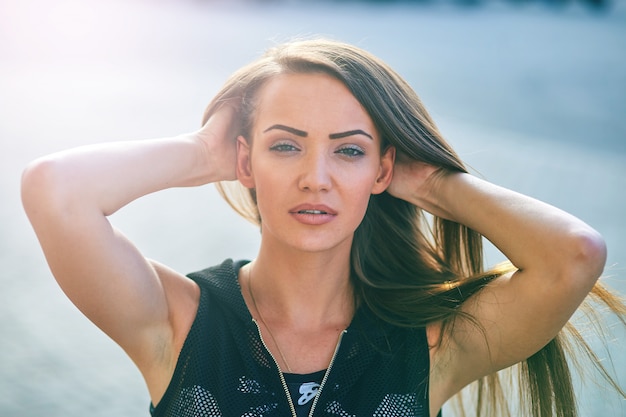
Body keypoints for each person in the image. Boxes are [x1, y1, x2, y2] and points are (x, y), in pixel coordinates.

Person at [21, 38, 624, 417]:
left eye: (349, 152)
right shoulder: (179, 321)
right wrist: (205, 152)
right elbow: (56, 190)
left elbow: (573, 253)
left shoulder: (430, 345)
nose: (316, 178)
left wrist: (433, 183)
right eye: (285, 147)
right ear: (246, 160)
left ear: (383, 168)